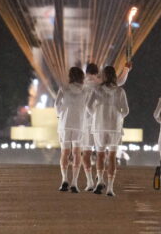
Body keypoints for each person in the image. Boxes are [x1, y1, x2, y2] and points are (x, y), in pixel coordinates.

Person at [79, 60, 132, 190]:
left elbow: (87, 106)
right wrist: (126, 69)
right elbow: (120, 83)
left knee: (90, 154)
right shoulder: (114, 89)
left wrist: (95, 114)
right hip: (112, 126)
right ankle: (109, 187)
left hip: (92, 125)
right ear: (97, 73)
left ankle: (93, 181)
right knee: (111, 156)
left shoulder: (83, 86)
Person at [54, 66, 90, 192]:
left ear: (70, 76)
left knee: (65, 152)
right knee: (76, 153)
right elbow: (88, 107)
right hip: (79, 124)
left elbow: (57, 104)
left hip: (65, 123)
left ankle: (64, 179)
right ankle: (74, 182)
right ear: (81, 77)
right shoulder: (85, 91)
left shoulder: (64, 88)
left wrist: (61, 114)